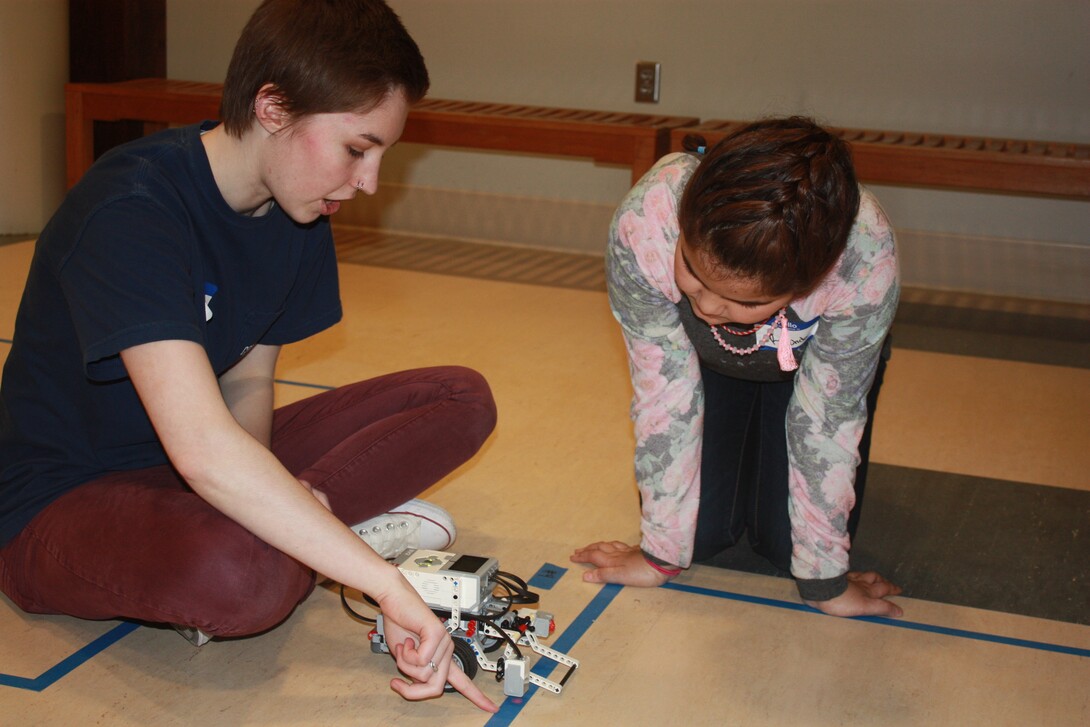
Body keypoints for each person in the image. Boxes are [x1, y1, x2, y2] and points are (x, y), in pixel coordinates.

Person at [0, 0, 498, 712]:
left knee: (460, 396)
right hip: (57, 504)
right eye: (357, 149)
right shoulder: (132, 206)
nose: (369, 183)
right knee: (240, 576)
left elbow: (247, 384)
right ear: (273, 107)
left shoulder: (295, 207)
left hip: (195, 464)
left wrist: (268, 503)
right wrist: (384, 583)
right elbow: (202, 449)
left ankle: (301, 527)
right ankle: (316, 535)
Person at [572, 117, 903, 618]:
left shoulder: (862, 259)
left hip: (809, 374)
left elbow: (828, 423)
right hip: (702, 365)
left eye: (743, 302)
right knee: (695, 540)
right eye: (694, 276)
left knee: (787, 550)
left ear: (808, 283)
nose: (705, 308)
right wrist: (661, 554)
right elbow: (664, 394)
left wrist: (825, 580)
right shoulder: (649, 219)